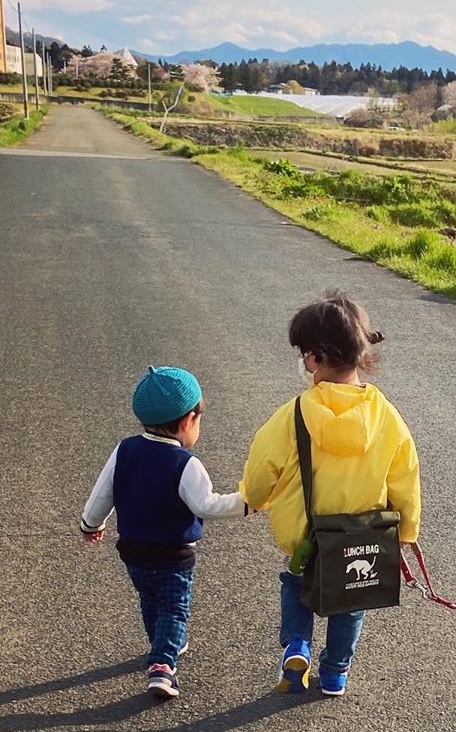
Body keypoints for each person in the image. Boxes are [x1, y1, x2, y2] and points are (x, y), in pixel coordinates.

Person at [241, 291, 421, 697]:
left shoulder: (294, 414)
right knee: (350, 603)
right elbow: (405, 476)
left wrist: (253, 497)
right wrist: (406, 530)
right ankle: (336, 672)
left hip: (307, 532)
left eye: (305, 353)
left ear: (316, 358)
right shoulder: (387, 417)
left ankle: (297, 645)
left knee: (295, 582)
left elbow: (261, 468)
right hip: (361, 535)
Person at [80, 366, 246, 699]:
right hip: (173, 555)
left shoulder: (125, 449)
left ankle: (166, 642)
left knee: (151, 600)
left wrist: (91, 523)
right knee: (174, 607)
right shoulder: (185, 463)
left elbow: (103, 493)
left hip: (133, 550)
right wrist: (249, 502)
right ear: (188, 420)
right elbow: (207, 505)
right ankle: (162, 665)